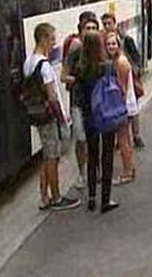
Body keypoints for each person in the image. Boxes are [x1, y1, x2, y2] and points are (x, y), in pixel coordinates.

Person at [24, 23, 81, 211]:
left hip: (37, 114)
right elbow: (52, 97)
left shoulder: (29, 62)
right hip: (49, 117)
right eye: (52, 39)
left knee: (46, 155)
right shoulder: (45, 66)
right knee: (52, 157)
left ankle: (44, 196)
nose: (54, 43)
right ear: (43, 39)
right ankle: (56, 197)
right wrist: (62, 119)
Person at [78, 31, 119, 213]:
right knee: (107, 156)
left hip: (89, 116)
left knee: (92, 156)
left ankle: (92, 197)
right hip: (106, 113)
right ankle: (105, 199)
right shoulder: (107, 66)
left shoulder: (81, 70)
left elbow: (79, 97)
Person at [61, 12, 98, 189]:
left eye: (93, 28)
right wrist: (77, 80)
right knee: (81, 138)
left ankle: (94, 169)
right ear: (81, 31)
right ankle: (83, 172)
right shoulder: (75, 51)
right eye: (87, 28)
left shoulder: (100, 49)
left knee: (94, 137)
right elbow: (63, 76)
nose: (90, 31)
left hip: (96, 102)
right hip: (78, 101)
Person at [101, 13, 145, 149]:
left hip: (129, 81)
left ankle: (136, 135)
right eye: (105, 24)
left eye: (109, 23)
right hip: (115, 85)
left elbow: (137, 58)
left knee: (133, 111)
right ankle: (120, 140)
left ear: (115, 23)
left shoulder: (126, 40)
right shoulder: (104, 44)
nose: (107, 26)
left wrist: (135, 71)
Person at [105, 32, 136, 185]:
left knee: (123, 139)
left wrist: (119, 108)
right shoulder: (118, 61)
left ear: (118, 45)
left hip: (123, 106)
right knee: (126, 139)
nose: (111, 46)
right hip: (126, 106)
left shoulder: (121, 63)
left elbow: (122, 89)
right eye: (108, 44)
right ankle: (130, 168)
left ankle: (127, 172)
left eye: (113, 44)